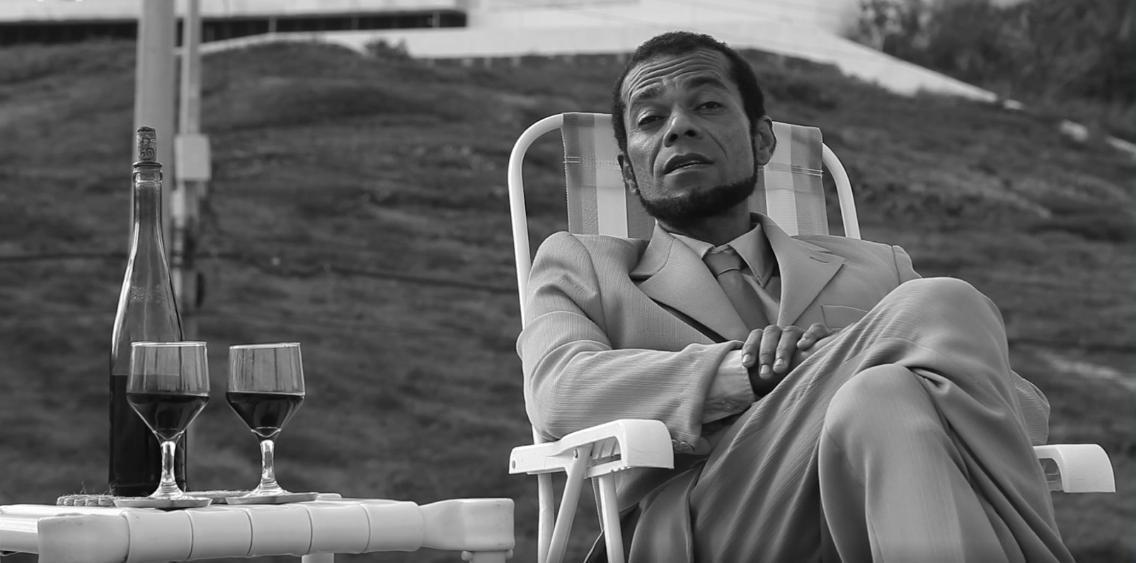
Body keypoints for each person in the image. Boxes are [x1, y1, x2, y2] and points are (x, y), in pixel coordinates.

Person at [517, 31, 1072, 562]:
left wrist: (843, 364)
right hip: (706, 524)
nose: (679, 127)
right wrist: (746, 374)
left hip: (874, 499)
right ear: (627, 171)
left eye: (707, 105)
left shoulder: (880, 266)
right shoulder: (586, 263)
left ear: (762, 141)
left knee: (880, 395)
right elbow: (559, 391)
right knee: (943, 304)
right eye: (650, 119)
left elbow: (1025, 412)